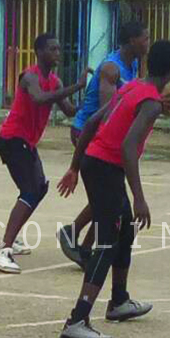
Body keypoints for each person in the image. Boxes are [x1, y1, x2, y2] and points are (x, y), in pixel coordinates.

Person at [56, 41, 170, 338]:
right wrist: (139, 197)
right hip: (105, 168)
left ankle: (119, 301)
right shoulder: (151, 103)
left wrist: (75, 166)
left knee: (125, 231)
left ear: (148, 63)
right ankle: (77, 319)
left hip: (95, 163)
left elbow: (92, 122)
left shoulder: (131, 87)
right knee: (107, 242)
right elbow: (127, 148)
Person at [0, 33, 92, 274]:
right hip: (12, 139)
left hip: (26, 142)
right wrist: (76, 86)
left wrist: (91, 102)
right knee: (31, 190)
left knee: (38, 188)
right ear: (39, 52)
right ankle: (3, 251)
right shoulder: (29, 77)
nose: (57, 53)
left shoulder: (55, 82)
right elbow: (39, 99)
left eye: (58, 49)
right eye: (52, 49)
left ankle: (12, 238)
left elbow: (69, 110)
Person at [58, 21, 149, 270]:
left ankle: (85, 246)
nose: (147, 43)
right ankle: (73, 232)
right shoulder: (111, 68)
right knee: (109, 195)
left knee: (109, 196)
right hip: (88, 132)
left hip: (106, 136)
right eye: (145, 38)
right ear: (132, 41)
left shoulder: (132, 64)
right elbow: (106, 114)